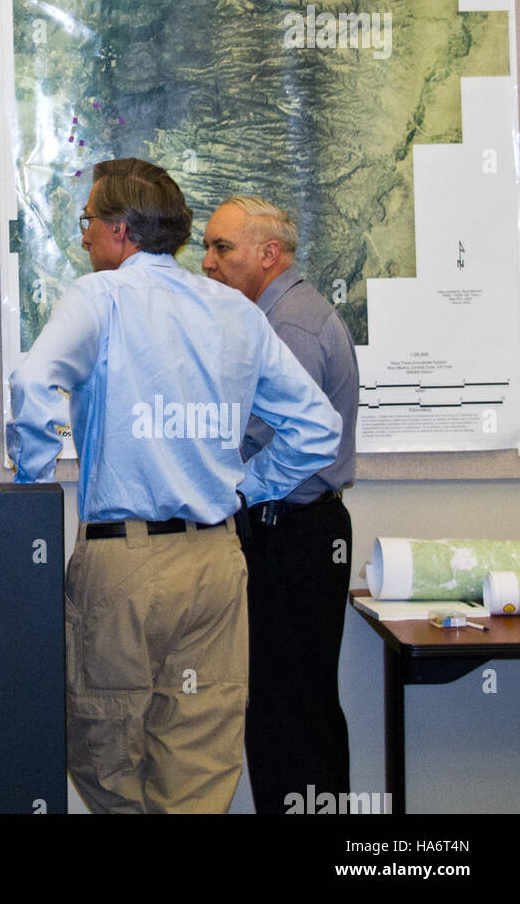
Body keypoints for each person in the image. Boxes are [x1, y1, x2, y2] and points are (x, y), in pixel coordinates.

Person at [7, 158, 341, 814]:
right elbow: (316, 429)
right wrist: (246, 489)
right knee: (198, 762)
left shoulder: (98, 298)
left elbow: (31, 383)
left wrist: (31, 490)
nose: (83, 237)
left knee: (101, 744)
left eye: (90, 221)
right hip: (217, 563)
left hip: (126, 564)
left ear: (123, 231)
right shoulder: (233, 311)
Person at [203, 195, 357, 815]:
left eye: (222, 248)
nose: (207, 262)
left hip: (289, 533)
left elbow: (261, 439)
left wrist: (221, 486)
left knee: (290, 715)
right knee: (287, 710)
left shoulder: (286, 326)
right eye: (207, 246)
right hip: (291, 532)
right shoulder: (276, 315)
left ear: (269, 255)